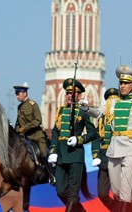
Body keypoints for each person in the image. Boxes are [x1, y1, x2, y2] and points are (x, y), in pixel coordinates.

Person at [83, 65, 132, 211]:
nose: (122, 86)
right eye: (121, 83)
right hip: (114, 149)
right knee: (116, 192)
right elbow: (97, 113)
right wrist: (86, 109)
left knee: (126, 192)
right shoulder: (112, 103)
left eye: (126, 83)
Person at [48, 78, 98, 212]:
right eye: (68, 93)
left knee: (72, 193)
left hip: (75, 156)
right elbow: (55, 132)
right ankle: (81, 210)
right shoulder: (60, 111)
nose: (69, 95)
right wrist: (52, 151)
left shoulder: (83, 111)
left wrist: (79, 139)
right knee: (60, 191)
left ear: (79, 95)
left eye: (73, 93)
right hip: (61, 156)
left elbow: (94, 133)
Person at [13, 82, 55, 185]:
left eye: (18, 93)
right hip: (25, 137)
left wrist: (24, 128)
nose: (17, 95)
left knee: (44, 153)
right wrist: (16, 130)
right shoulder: (19, 107)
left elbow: (38, 120)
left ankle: (52, 175)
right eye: (16, 93)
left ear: (24, 93)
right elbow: (18, 122)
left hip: (37, 135)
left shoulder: (33, 104)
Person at [91, 88, 118, 211]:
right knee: (102, 194)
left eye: (114, 99)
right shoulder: (102, 118)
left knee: (120, 193)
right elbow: (96, 137)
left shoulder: (122, 117)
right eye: (109, 100)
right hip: (104, 158)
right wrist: (95, 155)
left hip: (118, 157)